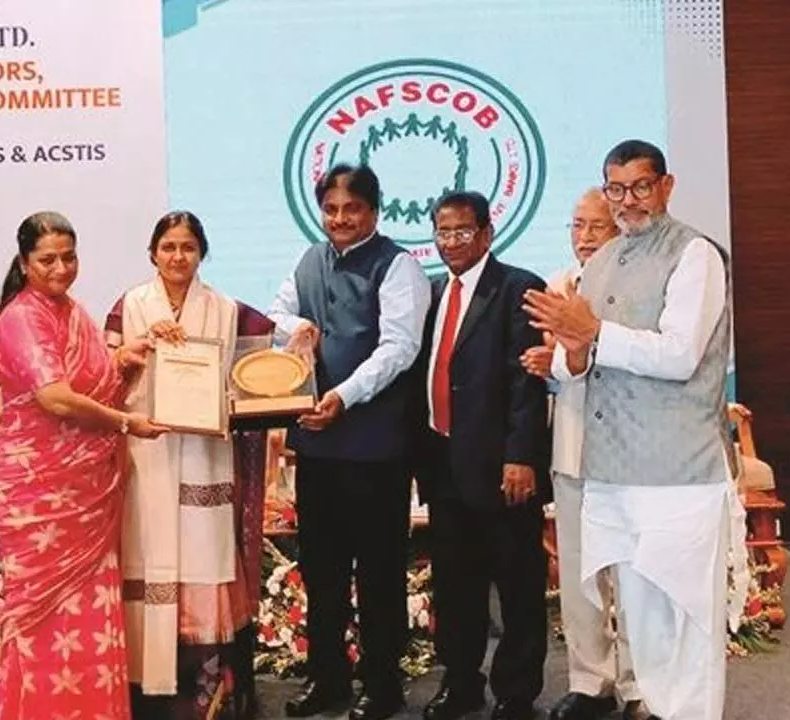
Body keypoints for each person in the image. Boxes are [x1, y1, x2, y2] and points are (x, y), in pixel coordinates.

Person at [524, 139, 735, 720]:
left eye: (640, 187)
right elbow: (581, 363)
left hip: (677, 472)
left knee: (684, 625)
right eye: (616, 189)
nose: (628, 202)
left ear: (665, 186)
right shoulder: (600, 263)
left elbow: (680, 355)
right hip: (612, 472)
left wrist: (590, 331)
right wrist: (568, 349)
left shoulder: (695, 255)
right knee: (643, 627)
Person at [0, 211, 168, 720]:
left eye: (69, 257)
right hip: (37, 490)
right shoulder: (22, 316)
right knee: (39, 618)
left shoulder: (73, 312)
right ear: (24, 264)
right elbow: (57, 399)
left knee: (90, 610)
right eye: (47, 259)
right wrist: (127, 423)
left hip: (87, 489)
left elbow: (94, 386)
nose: (60, 268)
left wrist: (123, 362)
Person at [268, 164, 431, 720]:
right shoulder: (309, 259)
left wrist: (343, 394)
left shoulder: (399, 266)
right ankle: (329, 681)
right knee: (323, 572)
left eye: (351, 210)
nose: (339, 220)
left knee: (380, 573)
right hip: (316, 449)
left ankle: (382, 688)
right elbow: (277, 312)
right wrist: (294, 329)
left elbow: (399, 348)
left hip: (375, 451)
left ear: (374, 211)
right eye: (331, 210)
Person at [104, 211, 275, 719]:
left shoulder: (226, 310)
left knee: (203, 562)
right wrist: (135, 354)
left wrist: (304, 341)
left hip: (205, 457)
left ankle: (211, 698)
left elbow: (260, 368)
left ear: (202, 254)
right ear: (152, 253)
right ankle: (144, 696)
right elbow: (104, 382)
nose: (178, 257)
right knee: (148, 558)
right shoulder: (129, 308)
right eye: (168, 247)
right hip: (147, 456)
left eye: (188, 248)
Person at [413, 191, 549, 720]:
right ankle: (461, 682)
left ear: (487, 233)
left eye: (462, 232)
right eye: (442, 233)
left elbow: (526, 383)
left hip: (501, 469)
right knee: (455, 583)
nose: (451, 242)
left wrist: (521, 456)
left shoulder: (518, 288)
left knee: (517, 581)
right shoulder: (432, 294)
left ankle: (516, 692)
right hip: (443, 463)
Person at [520, 189, 643, 720]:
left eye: (597, 226)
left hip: (632, 454)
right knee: (579, 573)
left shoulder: (640, 285)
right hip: (572, 448)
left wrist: (576, 350)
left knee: (635, 576)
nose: (585, 237)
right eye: (577, 226)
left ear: (619, 230)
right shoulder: (555, 287)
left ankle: (641, 685)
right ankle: (591, 683)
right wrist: (551, 361)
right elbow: (548, 368)